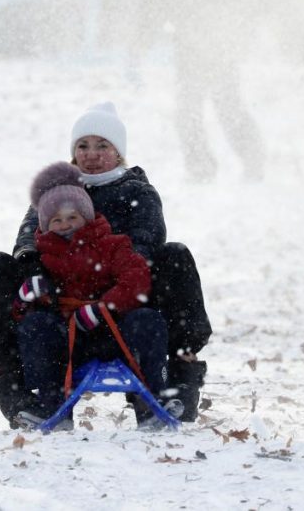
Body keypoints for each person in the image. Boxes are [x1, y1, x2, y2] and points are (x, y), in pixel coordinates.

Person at [0, 102, 211, 427]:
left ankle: (178, 376)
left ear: (119, 153)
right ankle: (15, 383)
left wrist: (101, 273)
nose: (92, 154)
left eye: (103, 145)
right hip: (62, 311)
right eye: (83, 146)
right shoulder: (55, 192)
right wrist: (34, 269)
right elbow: (29, 233)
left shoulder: (137, 191)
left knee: (175, 256)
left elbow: (147, 241)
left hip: (127, 309)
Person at [10, 162, 180, 430]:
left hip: (115, 331)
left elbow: (136, 278)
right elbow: (26, 310)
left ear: (87, 216)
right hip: (69, 338)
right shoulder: (42, 257)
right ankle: (50, 404)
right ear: (45, 224)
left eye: (72, 217)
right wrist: (25, 300)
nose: (65, 225)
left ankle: (154, 399)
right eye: (56, 220)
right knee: (35, 328)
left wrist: (106, 307)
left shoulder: (112, 245)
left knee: (148, 321)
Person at [151, 0, 265, 182]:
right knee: (228, 104)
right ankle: (253, 159)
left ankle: (201, 167)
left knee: (189, 109)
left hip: (192, 42)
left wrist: (149, 31)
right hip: (220, 41)